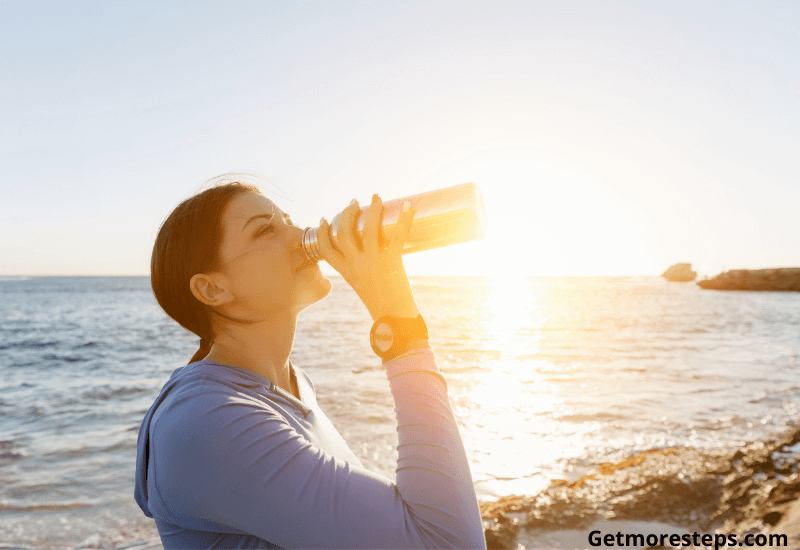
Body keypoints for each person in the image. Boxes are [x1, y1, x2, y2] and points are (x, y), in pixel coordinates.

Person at [134, 174, 487, 549]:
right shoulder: (206, 421)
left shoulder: (293, 386)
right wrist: (398, 323)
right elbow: (450, 543)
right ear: (213, 289)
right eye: (266, 230)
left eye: (287, 221)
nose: (300, 233)